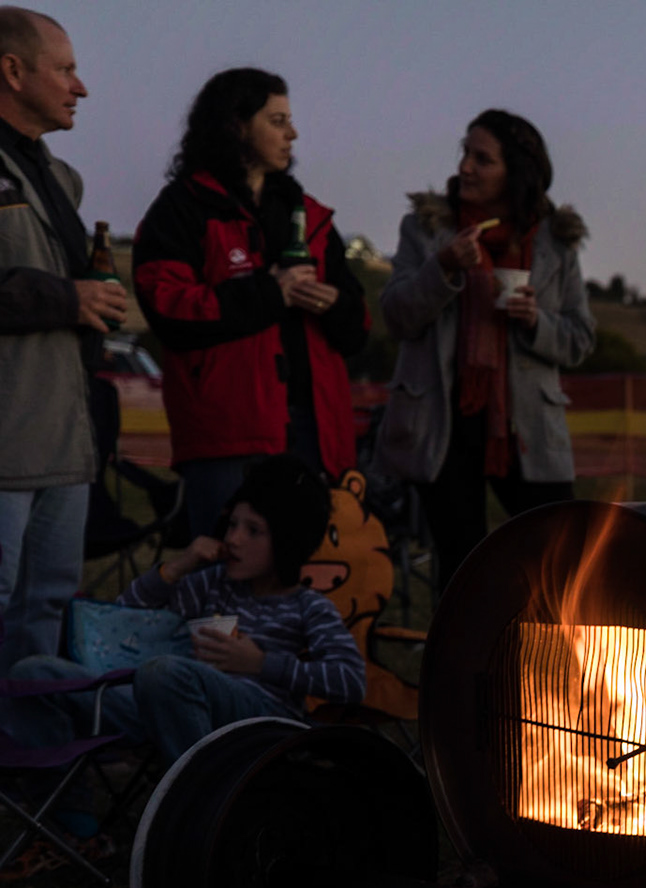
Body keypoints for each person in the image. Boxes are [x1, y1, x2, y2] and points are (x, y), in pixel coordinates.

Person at [8, 455, 364, 768]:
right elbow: (117, 621)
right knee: (31, 674)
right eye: (232, 524)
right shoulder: (212, 583)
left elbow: (350, 681)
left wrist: (260, 663)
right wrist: (177, 567)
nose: (234, 539)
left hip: (258, 721)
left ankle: (203, 802)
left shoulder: (307, 605)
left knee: (164, 672)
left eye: (253, 530)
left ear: (288, 542)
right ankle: (71, 814)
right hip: (166, 703)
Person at [133, 67, 367, 541]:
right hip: (228, 434)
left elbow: (357, 329)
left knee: (311, 573)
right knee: (226, 569)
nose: (292, 134)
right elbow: (169, 308)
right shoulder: (183, 209)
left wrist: (333, 304)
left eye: (290, 121)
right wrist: (270, 293)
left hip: (314, 430)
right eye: (277, 121)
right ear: (235, 126)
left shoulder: (311, 218)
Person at [376, 109, 595, 591]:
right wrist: (442, 267)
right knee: (462, 567)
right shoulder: (426, 228)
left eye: (483, 159)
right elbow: (396, 316)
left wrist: (536, 320)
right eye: (465, 153)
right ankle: (463, 642)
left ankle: (548, 639)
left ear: (516, 172)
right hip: (442, 423)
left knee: (561, 556)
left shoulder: (556, 240)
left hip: (527, 428)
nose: (465, 167)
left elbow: (580, 337)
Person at [0, 7, 123, 673]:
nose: (82, 88)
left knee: (43, 616)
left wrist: (95, 303)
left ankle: (28, 739)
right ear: (13, 72)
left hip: (63, 444)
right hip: (6, 445)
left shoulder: (60, 178)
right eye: (66, 70)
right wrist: (67, 299)